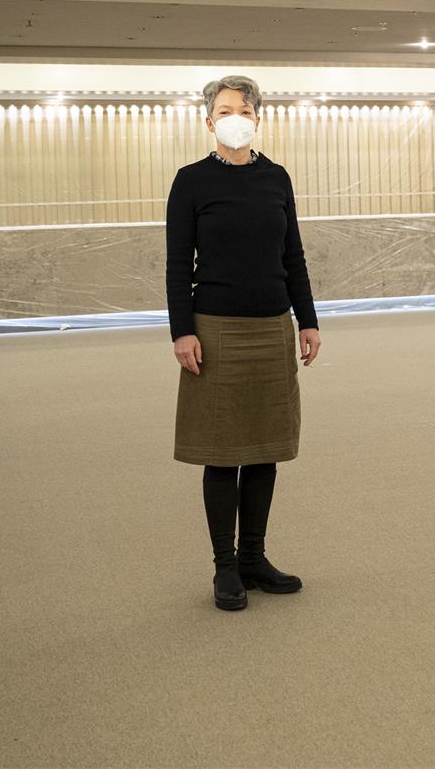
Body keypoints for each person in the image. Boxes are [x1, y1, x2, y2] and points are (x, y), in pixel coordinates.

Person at [165, 75, 322, 611]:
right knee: (222, 452)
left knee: (263, 449)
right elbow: (176, 265)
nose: (237, 117)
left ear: (258, 118)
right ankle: (225, 566)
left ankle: (254, 557)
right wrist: (182, 330)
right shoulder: (191, 181)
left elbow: (293, 255)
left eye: (246, 110)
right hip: (215, 330)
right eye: (227, 110)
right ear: (209, 120)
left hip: (272, 326)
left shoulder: (276, 178)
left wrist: (307, 319)